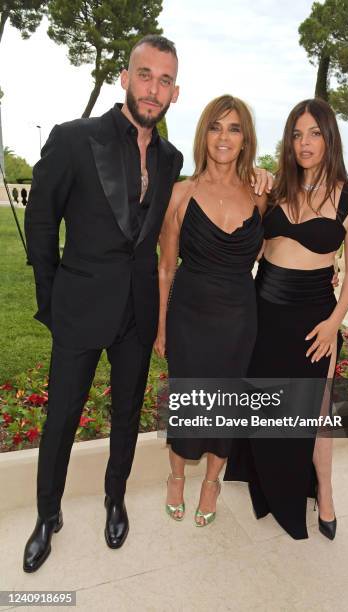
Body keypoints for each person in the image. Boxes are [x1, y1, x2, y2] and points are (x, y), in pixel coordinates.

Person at [23, 35, 183, 572]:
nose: (153, 89)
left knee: (126, 413)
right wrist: (53, 297)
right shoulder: (74, 139)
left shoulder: (171, 158)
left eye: (164, 80)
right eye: (145, 75)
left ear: (174, 92)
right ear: (125, 76)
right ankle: (48, 516)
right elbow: (41, 222)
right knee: (61, 418)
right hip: (80, 306)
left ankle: (115, 499)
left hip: (135, 312)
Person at [225, 98, 348, 540]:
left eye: (314, 133)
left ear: (330, 138)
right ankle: (270, 487)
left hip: (314, 322)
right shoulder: (276, 189)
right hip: (263, 311)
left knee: (315, 413)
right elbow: (251, 241)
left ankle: (324, 493)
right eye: (296, 134)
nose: (304, 143)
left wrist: (334, 323)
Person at [154, 95, 272, 526]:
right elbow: (166, 267)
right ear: (204, 134)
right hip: (189, 314)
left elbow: (276, 247)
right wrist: (162, 328)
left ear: (246, 140)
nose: (224, 137)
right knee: (187, 398)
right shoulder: (180, 195)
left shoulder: (261, 196)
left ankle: (211, 483)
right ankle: (175, 477)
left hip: (239, 318)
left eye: (234, 128)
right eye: (216, 127)